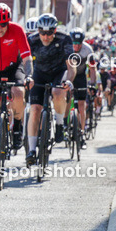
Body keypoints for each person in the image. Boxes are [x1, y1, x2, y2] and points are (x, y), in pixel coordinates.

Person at [0, 3, 30, 167]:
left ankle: (17, 126)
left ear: (8, 22)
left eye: (3, 24)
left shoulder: (17, 30)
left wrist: (28, 76)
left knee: (18, 92)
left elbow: (26, 57)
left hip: (13, 68)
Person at [25, 13, 75, 165]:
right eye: (42, 32)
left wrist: (68, 81)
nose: (45, 37)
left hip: (58, 72)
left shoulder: (64, 39)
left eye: (49, 33)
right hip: (39, 73)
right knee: (34, 110)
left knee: (58, 92)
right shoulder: (32, 40)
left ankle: (59, 124)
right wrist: (27, 78)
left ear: (55, 30)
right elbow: (26, 63)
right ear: (38, 31)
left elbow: (71, 65)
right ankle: (32, 150)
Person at [60, 29, 97, 148]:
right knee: (67, 99)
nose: (76, 46)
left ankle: (81, 133)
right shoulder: (66, 48)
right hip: (68, 74)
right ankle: (65, 123)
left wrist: (92, 84)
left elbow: (92, 69)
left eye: (78, 43)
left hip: (80, 76)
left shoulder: (88, 50)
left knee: (82, 105)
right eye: (74, 43)